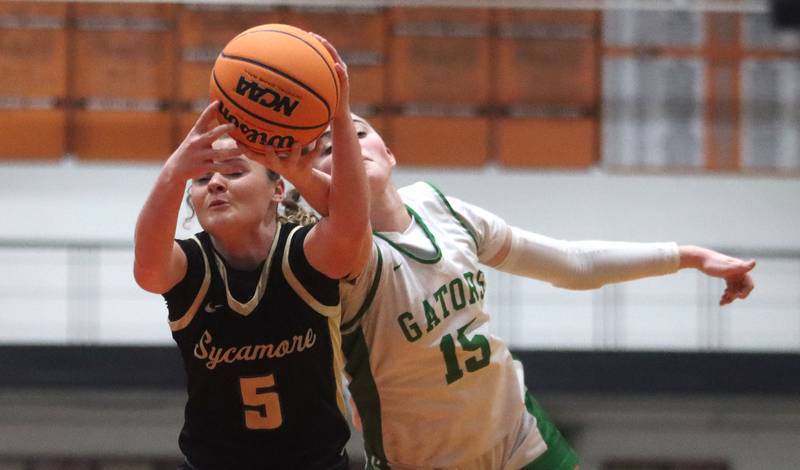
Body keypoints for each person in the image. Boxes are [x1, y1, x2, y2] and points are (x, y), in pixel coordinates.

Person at [306, 115, 756, 470]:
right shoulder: (328, 259)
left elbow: (574, 264)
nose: (340, 147)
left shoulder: (441, 208)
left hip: (517, 435)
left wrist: (689, 256)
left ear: (389, 152)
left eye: (354, 133)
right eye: (321, 151)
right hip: (418, 460)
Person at [132, 38, 372, 469]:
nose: (215, 185)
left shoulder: (302, 255)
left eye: (234, 172)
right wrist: (172, 174)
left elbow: (352, 226)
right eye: (202, 180)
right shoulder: (192, 267)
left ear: (277, 190)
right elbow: (148, 270)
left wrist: (338, 113)